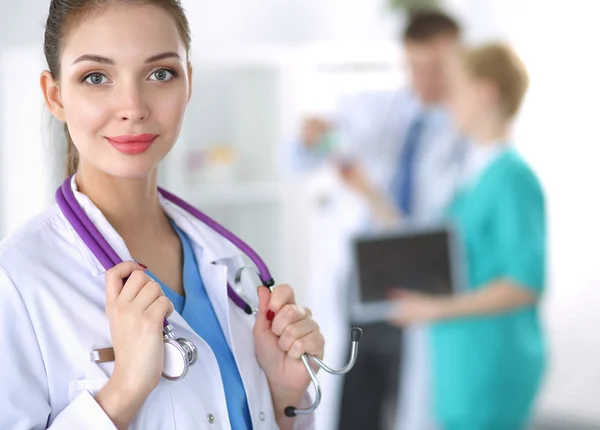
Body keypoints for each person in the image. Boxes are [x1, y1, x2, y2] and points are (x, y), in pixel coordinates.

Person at [0, 1, 325, 429]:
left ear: (188, 82)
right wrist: (124, 389)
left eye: (160, 73)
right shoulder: (17, 280)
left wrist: (285, 397)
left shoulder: (228, 261)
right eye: (96, 77)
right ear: (55, 95)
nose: (132, 107)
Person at [286, 9, 466, 430]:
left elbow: (443, 223)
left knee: (407, 398)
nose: (425, 79)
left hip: (421, 284)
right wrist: (309, 137)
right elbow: (296, 161)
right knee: (355, 401)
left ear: (461, 60)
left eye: (437, 67)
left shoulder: (465, 130)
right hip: (361, 284)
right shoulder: (371, 107)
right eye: (416, 66)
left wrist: (371, 191)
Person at [389, 42, 547, 430]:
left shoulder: (512, 179)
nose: (446, 99)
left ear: (486, 92)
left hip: (491, 359)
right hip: (461, 360)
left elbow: (523, 284)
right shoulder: (472, 177)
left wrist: (436, 310)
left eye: (455, 88)